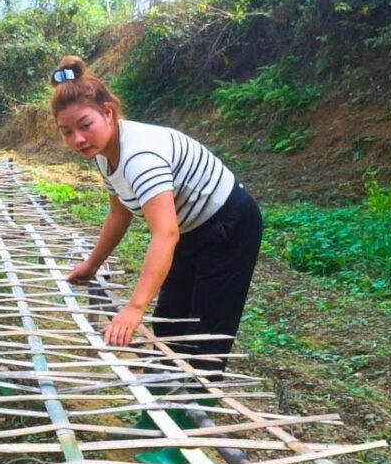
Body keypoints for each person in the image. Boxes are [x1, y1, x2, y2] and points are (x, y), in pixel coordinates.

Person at [50, 55, 263, 375]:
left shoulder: (140, 156)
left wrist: (134, 308)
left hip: (228, 225)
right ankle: (158, 410)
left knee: (205, 340)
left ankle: (193, 411)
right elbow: (118, 212)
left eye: (85, 126)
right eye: (66, 132)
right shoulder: (103, 154)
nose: (77, 139)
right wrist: (92, 264)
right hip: (189, 228)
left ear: (107, 113)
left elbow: (165, 233)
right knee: (170, 328)